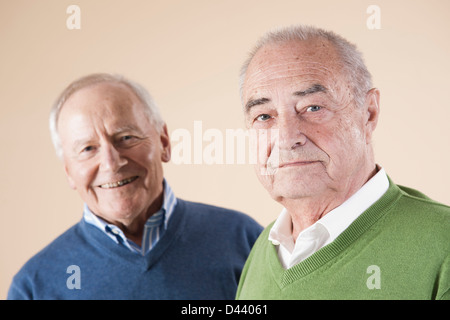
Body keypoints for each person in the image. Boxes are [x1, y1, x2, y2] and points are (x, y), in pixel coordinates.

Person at [236, 25, 450, 300]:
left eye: (313, 108)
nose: (287, 138)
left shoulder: (442, 247)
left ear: (369, 113)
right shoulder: (261, 249)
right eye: (264, 116)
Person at [8, 73, 263, 300]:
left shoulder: (244, 239)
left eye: (126, 138)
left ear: (164, 142)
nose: (111, 163)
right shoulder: (33, 286)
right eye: (88, 149)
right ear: (69, 173)